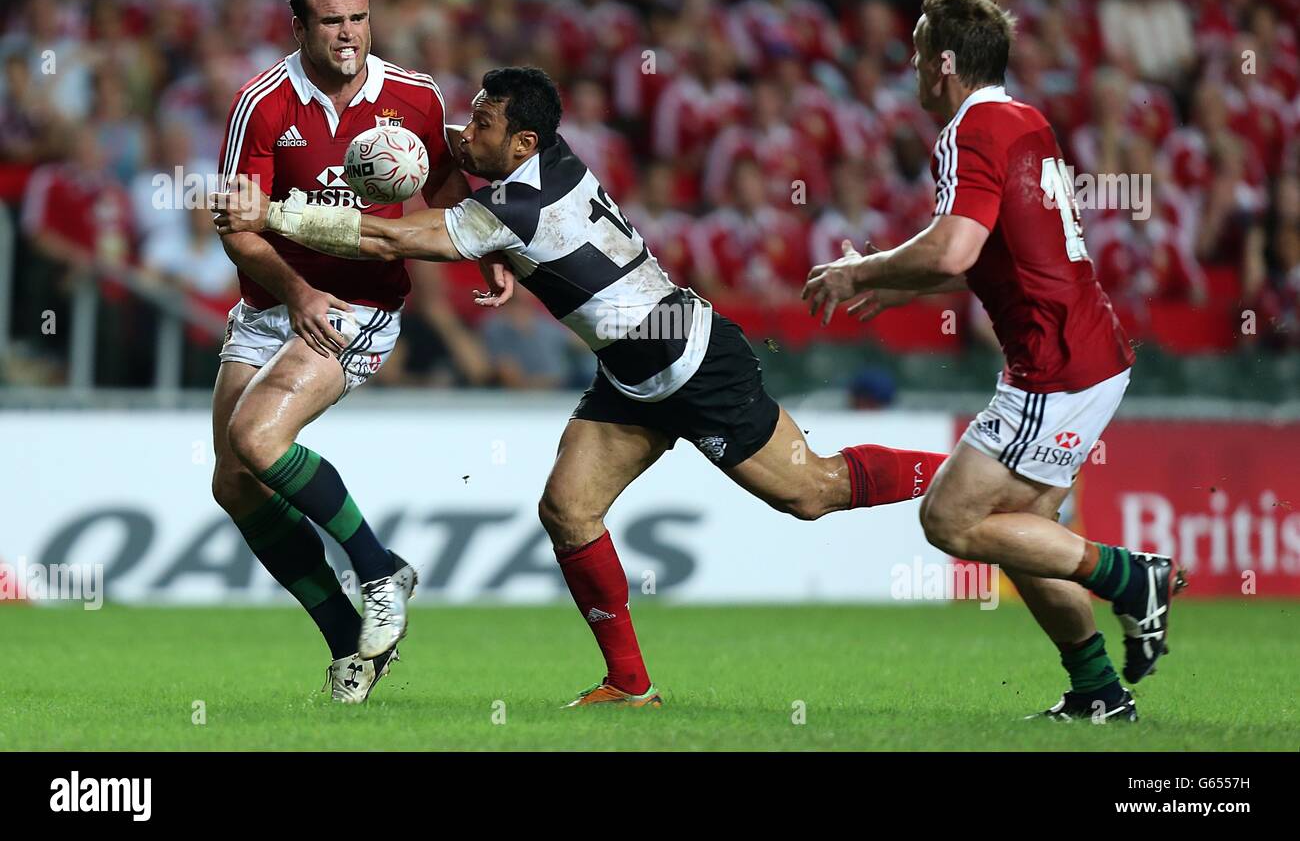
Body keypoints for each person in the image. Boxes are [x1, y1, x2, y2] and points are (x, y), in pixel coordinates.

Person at [215, 66, 950, 708]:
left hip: (691, 360)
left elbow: (392, 238)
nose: (467, 131)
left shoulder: (516, 207)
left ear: (523, 145)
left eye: (486, 123)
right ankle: (630, 685)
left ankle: (959, 478)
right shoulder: (546, 166)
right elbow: (455, 203)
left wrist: (274, 212)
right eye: (471, 113)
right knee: (568, 509)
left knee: (810, 493)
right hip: (632, 371)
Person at [803, 0, 1186, 722]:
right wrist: (903, 282)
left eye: (919, 49)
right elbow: (1003, 249)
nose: (913, 64)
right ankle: (1100, 694)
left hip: (1056, 363)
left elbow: (956, 247)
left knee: (948, 519)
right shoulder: (1023, 119)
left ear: (944, 62)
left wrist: (862, 269)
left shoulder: (969, 131)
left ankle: (1131, 576)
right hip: (1089, 350)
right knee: (1024, 533)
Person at [208, 0, 498, 703]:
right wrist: (296, 289)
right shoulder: (262, 104)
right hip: (273, 303)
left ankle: (378, 568)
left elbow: (440, 187)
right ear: (299, 27)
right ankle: (350, 646)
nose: (349, 34)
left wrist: (486, 247)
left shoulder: (415, 97)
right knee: (236, 484)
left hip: (360, 303)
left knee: (260, 440)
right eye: (333, 21)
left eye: (359, 18)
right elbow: (237, 230)